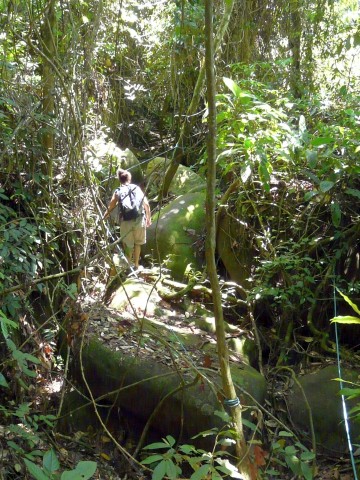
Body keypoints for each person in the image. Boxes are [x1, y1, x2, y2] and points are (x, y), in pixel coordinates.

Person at [103, 169, 151, 270]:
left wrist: (104, 216)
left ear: (119, 180)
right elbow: (146, 203)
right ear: (129, 179)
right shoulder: (136, 188)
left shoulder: (118, 191)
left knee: (128, 244)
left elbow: (111, 205)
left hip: (125, 221)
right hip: (139, 218)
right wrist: (148, 218)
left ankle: (128, 266)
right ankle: (137, 265)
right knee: (138, 243)